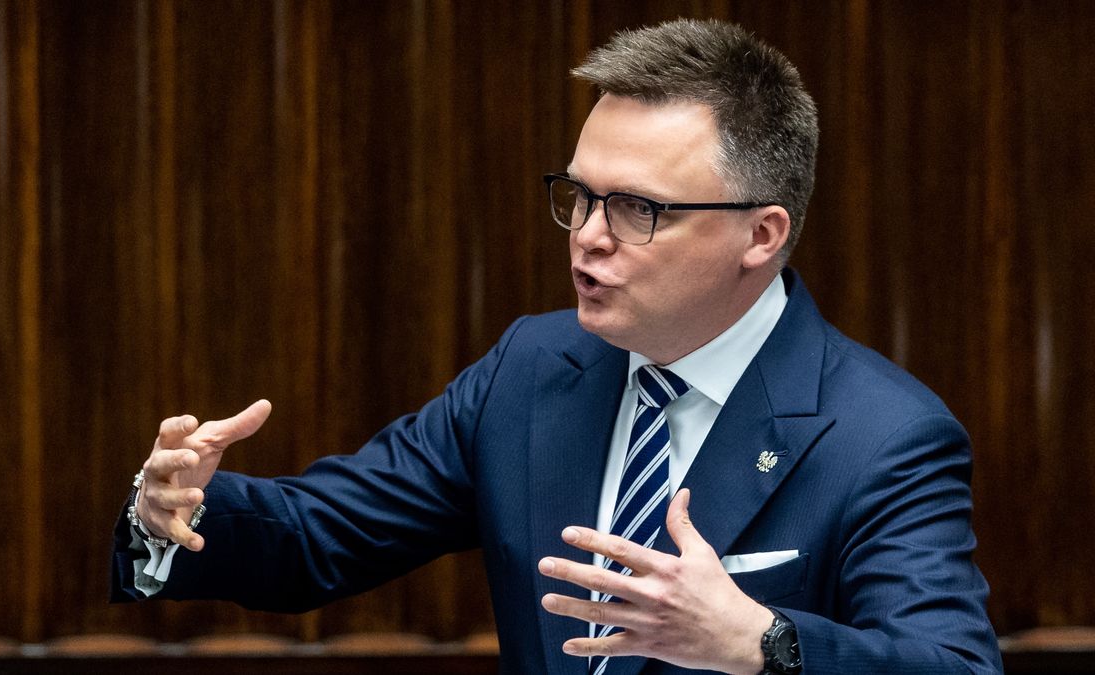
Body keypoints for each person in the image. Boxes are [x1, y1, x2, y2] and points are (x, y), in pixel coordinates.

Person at [112, 18, 1003, 675]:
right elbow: (320, 536)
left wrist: (762, 640)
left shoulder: (883, 435)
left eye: (636, 209)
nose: (586, 235)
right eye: (578, 195)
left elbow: (955, 665)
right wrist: (172, 514)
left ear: (761, 234)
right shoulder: (534, 370)